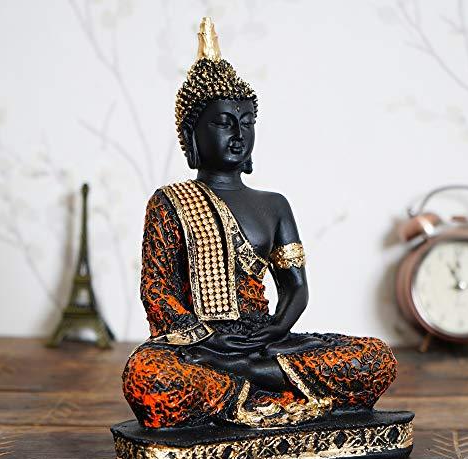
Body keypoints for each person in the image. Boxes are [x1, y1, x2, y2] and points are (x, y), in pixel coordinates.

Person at [123, 17, 397, 429]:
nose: (239, 133)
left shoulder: (274, 205)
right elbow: (156, 291)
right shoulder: (169, 202)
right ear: (192, 135)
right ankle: (274, 385)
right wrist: (207, 338)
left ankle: (245, 377)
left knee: (375, 358)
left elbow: (296, 288)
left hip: (263, 340)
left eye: (247, 122)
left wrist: (274, 331)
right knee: (150, 378)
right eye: (223, 122)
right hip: (199, 347)